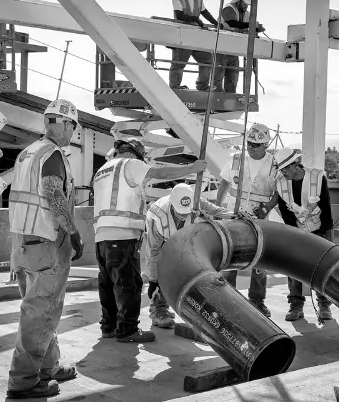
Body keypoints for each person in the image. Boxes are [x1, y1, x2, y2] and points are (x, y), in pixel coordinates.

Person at [6, 98, 85, 399]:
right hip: (45, 243)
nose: (72, 133)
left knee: (42, 309)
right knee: (40, 312)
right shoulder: (52, 154)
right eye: (72, 127)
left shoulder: (28, 153)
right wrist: (74, 232)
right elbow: (54, 195)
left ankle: (48, 366)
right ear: (65, 123)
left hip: (23, 241)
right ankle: (24, 380)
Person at [92, 138, 206, 343]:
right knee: (129, 285)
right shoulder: (130, 164)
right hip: (123, 233)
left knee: (107, 283)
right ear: (136, 154)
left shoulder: (102, 170)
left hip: (101, 236)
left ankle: (108, 326)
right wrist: (193, 167)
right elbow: (159, 173)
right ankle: (127, 330)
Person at [215, 123, 281, 318]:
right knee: (230, 257)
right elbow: (225, 182)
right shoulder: (236, 159)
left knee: (259, 260)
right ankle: (229, 300)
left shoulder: (274, 164)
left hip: (259, 217)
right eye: (249, 143)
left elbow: (279, 191)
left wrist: (268, 207)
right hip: (234, 215)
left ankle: (257, 301)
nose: (251, 147)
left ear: (265, 145)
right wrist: (218, 210)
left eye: (255, 144)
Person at [145, 183, 230, 328]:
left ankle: (193, 310)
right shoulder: (157, 216)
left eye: (186, 212)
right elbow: (153, 252)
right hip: (162, 244)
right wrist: (153, 281)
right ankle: (158, 310)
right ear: (172, 204)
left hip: (183, 241)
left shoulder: (195, 202)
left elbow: (217, 211)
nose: (184, 215)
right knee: (163, 272)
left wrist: (235, 215)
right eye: (180, 212)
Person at [273, 148, 333, 322]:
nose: (283, 173)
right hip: (296, 230)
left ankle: (324, 305)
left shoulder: (317, 178)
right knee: (293, 268)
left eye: (285, 169)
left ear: (295, 164)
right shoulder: (282, 184)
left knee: (321, 269)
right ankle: (296, 305)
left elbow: (326, 209)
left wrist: (328, 238)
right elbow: (285, 211)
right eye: (281, 170)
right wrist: (295, 234)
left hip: (319, 230)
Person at [168, 0, 218, 91]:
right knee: (179, 63)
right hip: (182, 35)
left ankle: (203, 86)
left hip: (196, 36)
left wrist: (216, 23)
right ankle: (175, 88)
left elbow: (205, 12)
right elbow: (179, 15)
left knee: (207, 60)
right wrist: (195, 19)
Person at [214, 0, 264, 93]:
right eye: (244, 4)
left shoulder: (247, 14)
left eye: (247, 5)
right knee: (218, 73)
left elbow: (249, 26)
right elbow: (232, 23)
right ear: (238, 1)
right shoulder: (229, 8)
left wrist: (257, 28)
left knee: (233, 74)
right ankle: (215, 95)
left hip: (234, 49)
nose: (246, 7)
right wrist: (251, 25)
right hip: (220, 46)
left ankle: (229, 96)